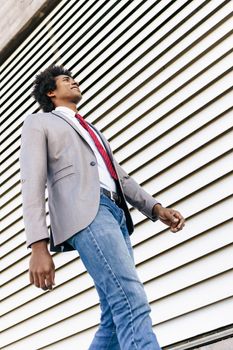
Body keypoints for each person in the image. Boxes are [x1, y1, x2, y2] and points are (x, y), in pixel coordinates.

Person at [20, 65, 185, 350]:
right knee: (130, 297)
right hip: (87, 214)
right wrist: (38, 245)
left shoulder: (91, 130)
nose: (73, 81)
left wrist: (156, 208)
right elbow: (31, 181)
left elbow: (119, 176)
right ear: (51, 92)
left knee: (113, 312)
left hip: (115, 213)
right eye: (65, 80)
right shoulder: (39, 123)